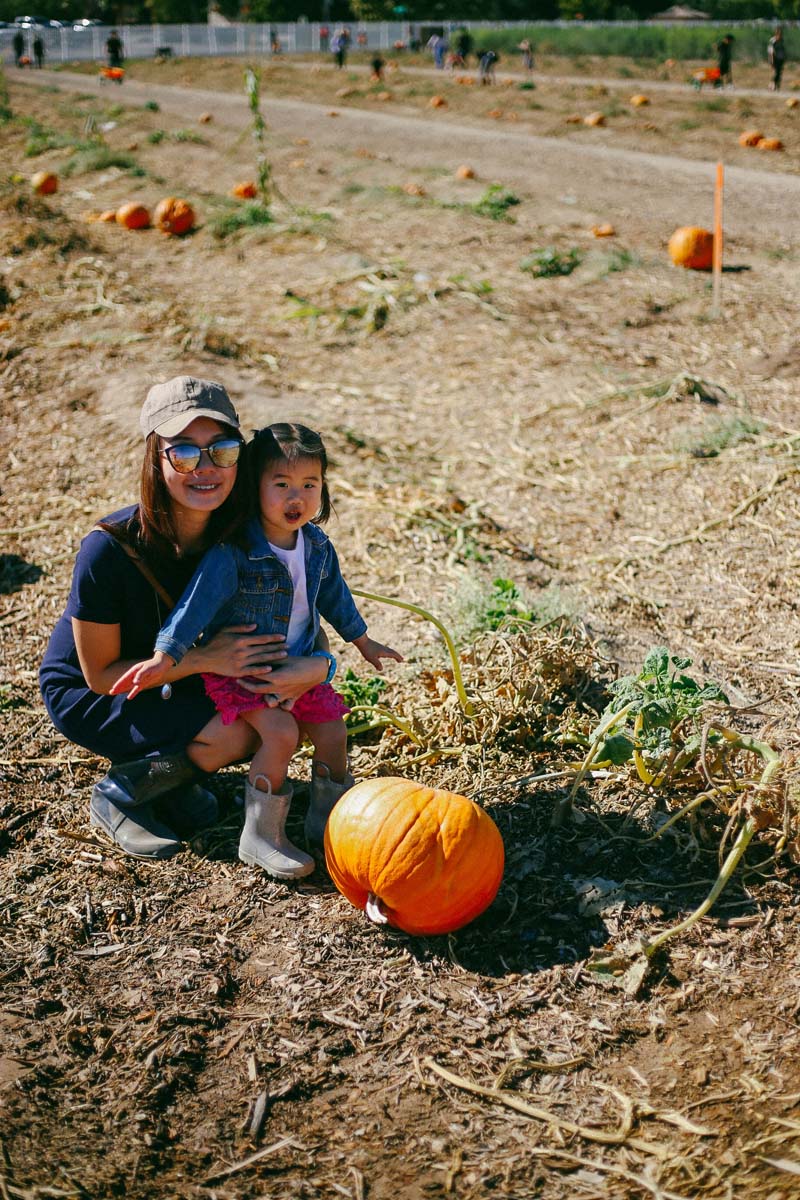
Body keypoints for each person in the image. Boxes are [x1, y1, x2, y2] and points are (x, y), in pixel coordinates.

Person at [40, 377, 330, 863]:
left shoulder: (244, 532)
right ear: (156, 458)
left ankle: (172, 779)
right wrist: (207, 658)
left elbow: (297, 609)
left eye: (222, 451)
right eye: (185, 454)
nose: (206, 469)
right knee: (244, 729)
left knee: (285, 715)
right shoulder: (109, 550)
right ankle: (123, 793)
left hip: (194, 669)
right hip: (100, 689)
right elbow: (100, 675)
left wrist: (320, 665)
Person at [112, 422, 403, 881]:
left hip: (298, 666)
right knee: (282, 734)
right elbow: (194, 608)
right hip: (242, 672)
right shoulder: (235, 552)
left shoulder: (318, 547)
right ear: (255, 487)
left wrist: (363, 641)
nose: (297, 498)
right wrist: (164, 657)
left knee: (332, 732)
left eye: (310, 485)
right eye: (282, 484)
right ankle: (261, 836)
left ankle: (330, 826)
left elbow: (335, 598)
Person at [767, 28, 786, 92]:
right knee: (776, 72)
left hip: (781, 58)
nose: (780, 35)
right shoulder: (772, 40)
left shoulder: (781, 40)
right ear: (776, 34)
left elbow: (783, 49)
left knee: (779, 73)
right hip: (774, 58)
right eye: (778, 33)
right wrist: (771, 60)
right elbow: (771, 51)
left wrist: (784, 57)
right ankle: (772, 84)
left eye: (781, 34)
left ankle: (776, 85)